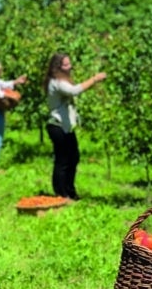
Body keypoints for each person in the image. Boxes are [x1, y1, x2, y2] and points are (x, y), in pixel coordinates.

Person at [43, 53, 106, 200]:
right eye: (65, 64)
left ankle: (70, 191)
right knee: (63, 160)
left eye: (69, 64)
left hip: (65, 127)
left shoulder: (61, 80)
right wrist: (95, 79)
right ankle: (61, 193)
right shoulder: (56, 82)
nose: (69, 67)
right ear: (57, 67)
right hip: (57, 125)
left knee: (73, 157)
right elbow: (75, 91)